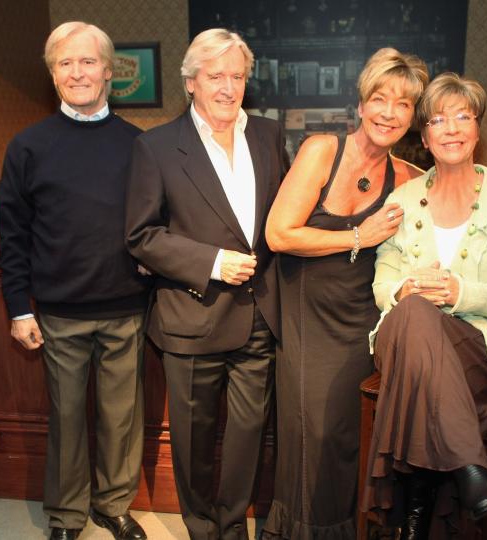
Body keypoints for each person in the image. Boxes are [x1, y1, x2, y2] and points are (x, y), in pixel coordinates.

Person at [262, 50, 487, 539]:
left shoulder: (422, 183)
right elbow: (281, 236)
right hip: (322, 312)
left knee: (363, 418)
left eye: (404, 105)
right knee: (320, 427)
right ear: (363, 103)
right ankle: (458, 476)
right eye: (380, 99)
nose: (389, 112)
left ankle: (406, 512)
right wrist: (367, 246)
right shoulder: (337, 159)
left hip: (406, 328)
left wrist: (457, 286)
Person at [124, 29, 288, 540]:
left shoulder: (267, 135)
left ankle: (232, 525)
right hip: (191, 318)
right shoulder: (155, 147)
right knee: (194, 442)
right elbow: (141, 236)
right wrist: (214, 262)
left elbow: (295, 211)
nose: (228, 87)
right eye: (216, 76)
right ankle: (201, 527)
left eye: (237, 76)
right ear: (191, 82)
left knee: (246, 437)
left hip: (260, 315)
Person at [362, 72, 487, 540]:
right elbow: (382, 284)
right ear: (425, 136)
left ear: (479, 128)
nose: (452, 128)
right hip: (404, 337)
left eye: (464, 117)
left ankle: (413, 509)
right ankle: (469, 465)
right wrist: (406, 290)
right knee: (416, 313)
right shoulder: (403, 200)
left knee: (418, 365)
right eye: (439, 119)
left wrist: (459, 293)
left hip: (479, 346)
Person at [0, 22, 149, 540]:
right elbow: (11, 234)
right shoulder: (27, 146)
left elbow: (157, 226)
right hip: (58, 313)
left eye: (88, 62)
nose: (77, 72)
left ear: (109, 71)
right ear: (53, 74)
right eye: (65, 63)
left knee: (121, 419)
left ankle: (113, 504)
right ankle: (65, 515)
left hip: (127, 308)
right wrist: (19, 308)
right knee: (66, 422)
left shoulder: (139, 145)